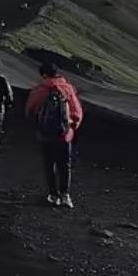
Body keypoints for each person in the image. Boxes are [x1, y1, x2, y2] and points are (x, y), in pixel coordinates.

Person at [25, 62, 84, 209]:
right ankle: (65, 195)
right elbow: (77, 112)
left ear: (43, 74)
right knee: (65, 165)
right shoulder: (68, 89)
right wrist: (71, 128)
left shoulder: (40, 90)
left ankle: (53, 195)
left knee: (49, 164)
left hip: (45, 134)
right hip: (64, 134)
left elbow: (30, 110)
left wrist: (37, 125)